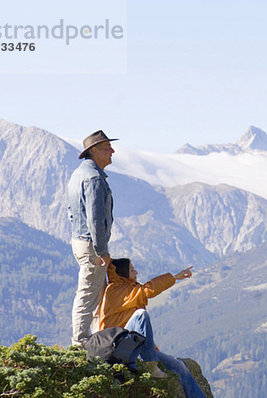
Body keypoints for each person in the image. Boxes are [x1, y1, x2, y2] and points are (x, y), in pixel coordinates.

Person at [99, 258, 206, 398]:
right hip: (118, 347)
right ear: (122, 273)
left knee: (180, 367)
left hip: (135, 347)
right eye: (131, 270)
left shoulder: (129, 289)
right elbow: (147, 291)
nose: (136, 271)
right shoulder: (115, 291)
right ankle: (150, 364)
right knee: (140, 314)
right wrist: (174, 277)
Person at [67, 130, 118, 346]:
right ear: (94, 151)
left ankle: (95, 339)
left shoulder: (78, 174)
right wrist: (101, 250)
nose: (112, 151)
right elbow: (96, 219)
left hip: (79, 240)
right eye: (107, 147)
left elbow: (72, 211)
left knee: (95, 291)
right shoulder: (94, 179)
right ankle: (80, 342)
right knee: (88, 293)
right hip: (91, 243)